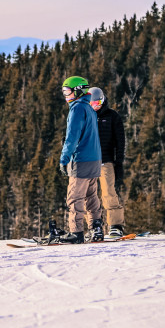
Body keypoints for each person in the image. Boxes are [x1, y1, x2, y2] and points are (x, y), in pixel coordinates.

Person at [58, 76, 103, 243]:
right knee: (91, 196)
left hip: (82, 160)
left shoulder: (77, 109)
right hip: (95, 159)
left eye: (67, 91)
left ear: (77, 90)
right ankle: (96, 228)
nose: (66, 95)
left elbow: (72, 137)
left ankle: (76, 232)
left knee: (75, 197)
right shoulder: (89, 108)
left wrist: (64, 159)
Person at [88, 87, 126, 238]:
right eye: (92, 103)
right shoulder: (85, 116)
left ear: (103, 100)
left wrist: (119, 163)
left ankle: (115, 225)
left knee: (108, 193)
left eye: (98, 102)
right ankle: (93, 226)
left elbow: (120, 141)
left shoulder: (112, 116)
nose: (95, 106)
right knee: (89, 196)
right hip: (88, 162)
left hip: (106, 161)